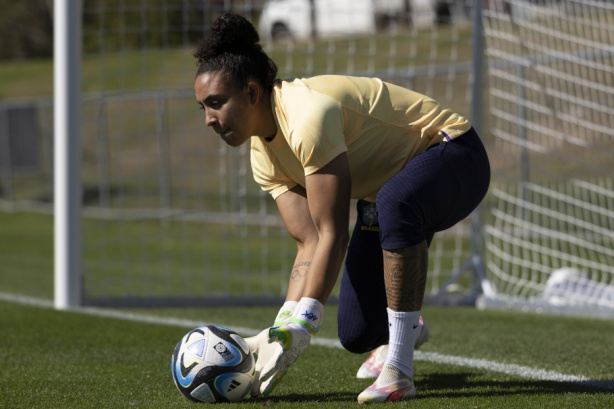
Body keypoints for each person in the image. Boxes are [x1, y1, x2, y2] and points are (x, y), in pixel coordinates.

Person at [192, 12, 490, 403]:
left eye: (216, 103)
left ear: (251, 93)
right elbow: (310, 241)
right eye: (203, 108)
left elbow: (333, 231)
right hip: (387, 193)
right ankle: (409, 325)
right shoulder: (261, 155)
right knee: (357, 333)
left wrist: (307, 321)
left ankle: (399, 371)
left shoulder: (307, 117)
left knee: (394, 202)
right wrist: (284, 326)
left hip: (454, 153)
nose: (209, 119)